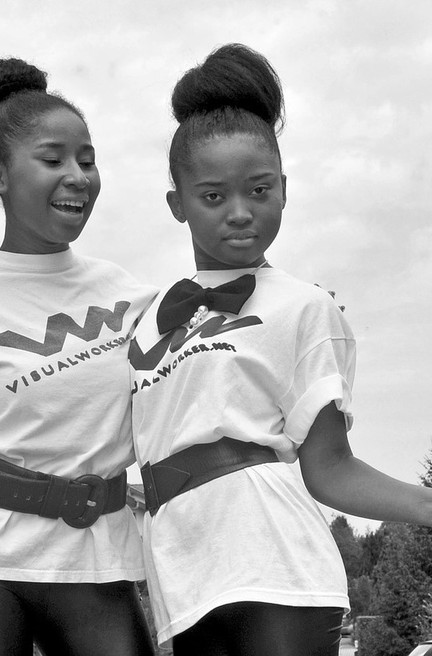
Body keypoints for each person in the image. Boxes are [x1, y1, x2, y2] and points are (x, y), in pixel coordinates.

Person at [129, 43, 432, 656]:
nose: (241, 214)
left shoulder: (304, 307)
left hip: (278, 572)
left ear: (285, 191)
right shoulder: (142, 319)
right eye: (213, 196)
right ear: (176, 204)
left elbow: (330, 468)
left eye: (259, 191)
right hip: (182, 578)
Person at [0, 58, 157, 656]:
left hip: (99, 557)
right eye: (53, 160)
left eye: (87, 158)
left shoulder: (132, 297)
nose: (78, 175)